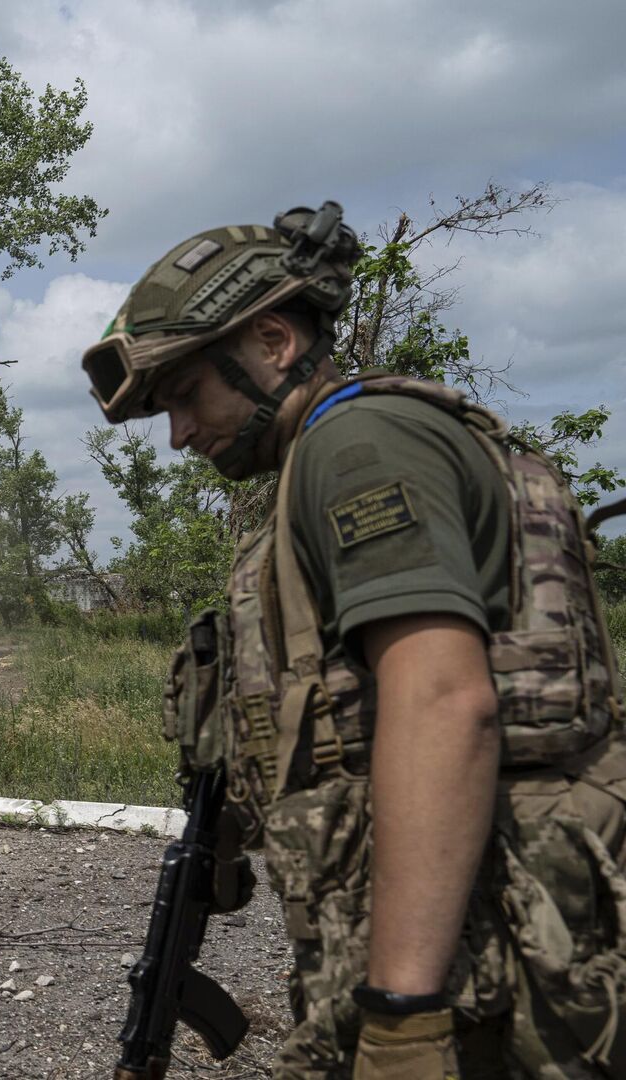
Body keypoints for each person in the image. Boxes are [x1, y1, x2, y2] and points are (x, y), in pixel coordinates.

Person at [82, 203, 626, 1078]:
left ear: (273, 342)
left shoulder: (356, 445)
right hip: (478, 936)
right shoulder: (327, 457)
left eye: (187, 395)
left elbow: (444, 700)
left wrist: (404, 1018)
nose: (179, 433)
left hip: (482, 962)